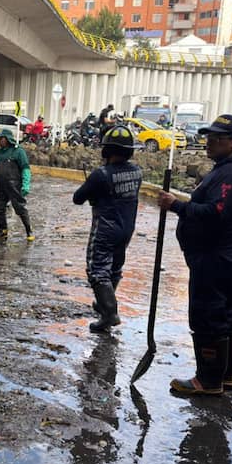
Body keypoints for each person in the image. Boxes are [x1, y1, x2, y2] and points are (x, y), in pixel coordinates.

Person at [157, 114, 232, 395]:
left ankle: (208, 380)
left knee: (209, 315)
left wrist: (176, 205)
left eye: (218, 137)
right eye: (208, 136)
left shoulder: (231, 173)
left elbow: (217, 214)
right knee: (230, 314)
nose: (210, 142)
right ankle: (226, 376)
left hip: (220, 256)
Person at [72, 125, 143, 333]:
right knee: (114, 268)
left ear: (106, 150)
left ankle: (109, 313)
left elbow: (77, 198)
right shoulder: (137, 172)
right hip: (127, 229)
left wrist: (94, 192)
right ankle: (105, 302)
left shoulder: (101, 175)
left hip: (105, 229)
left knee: (97, 270)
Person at [0, 129, 34, 241]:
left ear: (8, 139)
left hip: (14, 186)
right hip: (0, 186)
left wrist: (26, 184)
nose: (0, 141)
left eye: (2, 138)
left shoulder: (18, 152)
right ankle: (3, 231)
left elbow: (25, 168)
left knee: (19, 208)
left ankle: (29, 231)